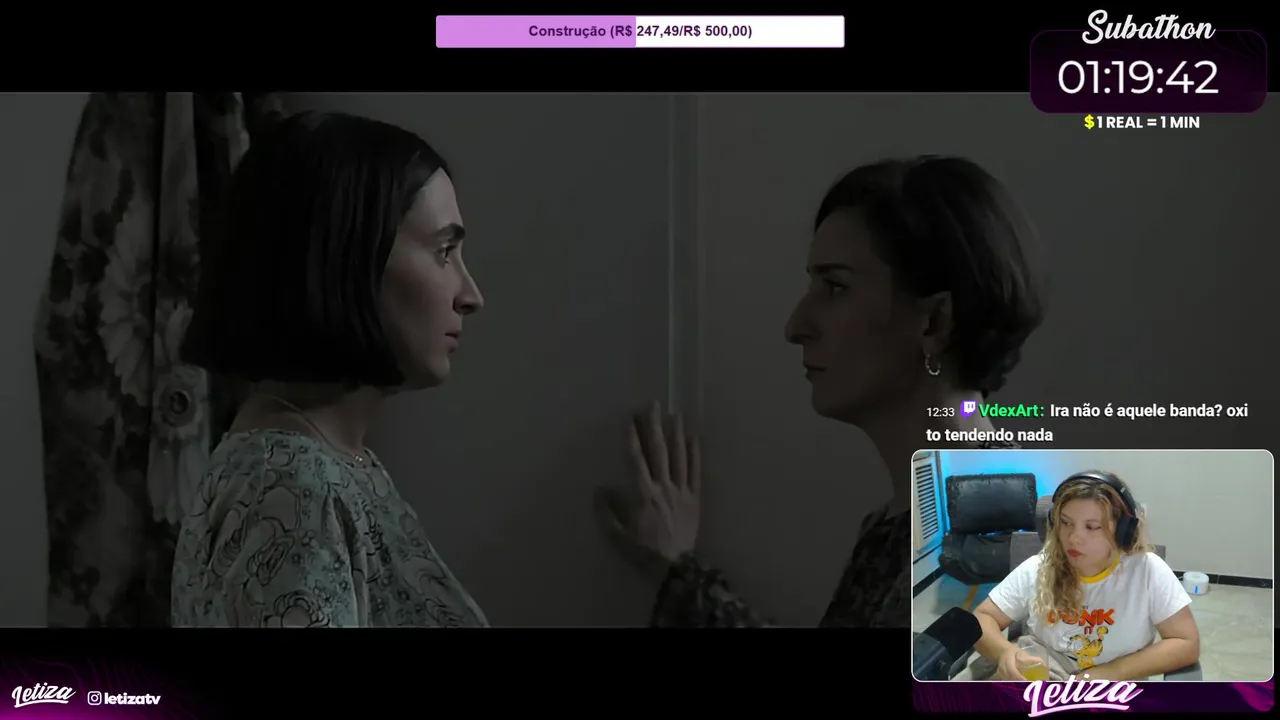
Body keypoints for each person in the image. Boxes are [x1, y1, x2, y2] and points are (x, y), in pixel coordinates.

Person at [596, 156, 1046, 627]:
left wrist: (679, 581)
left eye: (835, 287)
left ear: (933, 323)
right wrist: (675, 573)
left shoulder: (990, 545)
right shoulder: (915, 520)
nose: (796, 326)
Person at [170, 111, 488, 627]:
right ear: (347, 255)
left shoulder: (329, 464)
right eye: (444, 251)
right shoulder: (294, 491)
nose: (470, 295)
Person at [971, 471, 1200, 680]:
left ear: (1123, 531)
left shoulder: (1148, 571)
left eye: (1091, 527)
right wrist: (1004, 652)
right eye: (1066, 523)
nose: (1074, 538)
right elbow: (983, 617)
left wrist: (1110, 672)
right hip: (1043, 674)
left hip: (1114, 682)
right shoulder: (1039, 568)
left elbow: (1186, 643)